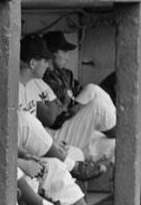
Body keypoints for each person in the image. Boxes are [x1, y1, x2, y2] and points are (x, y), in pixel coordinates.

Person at [42, 31, 116, 162]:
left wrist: (78, 109)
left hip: (75, 127)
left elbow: (80, 93)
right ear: (53, 53)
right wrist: (73, 110)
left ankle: (117, 129)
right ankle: (121, 131)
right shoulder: (43, 79)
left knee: (115, 145)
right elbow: (52, 119)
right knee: (98, 106)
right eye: (64, 52)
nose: (67, 57)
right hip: (58, 133)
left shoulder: (66, 74)